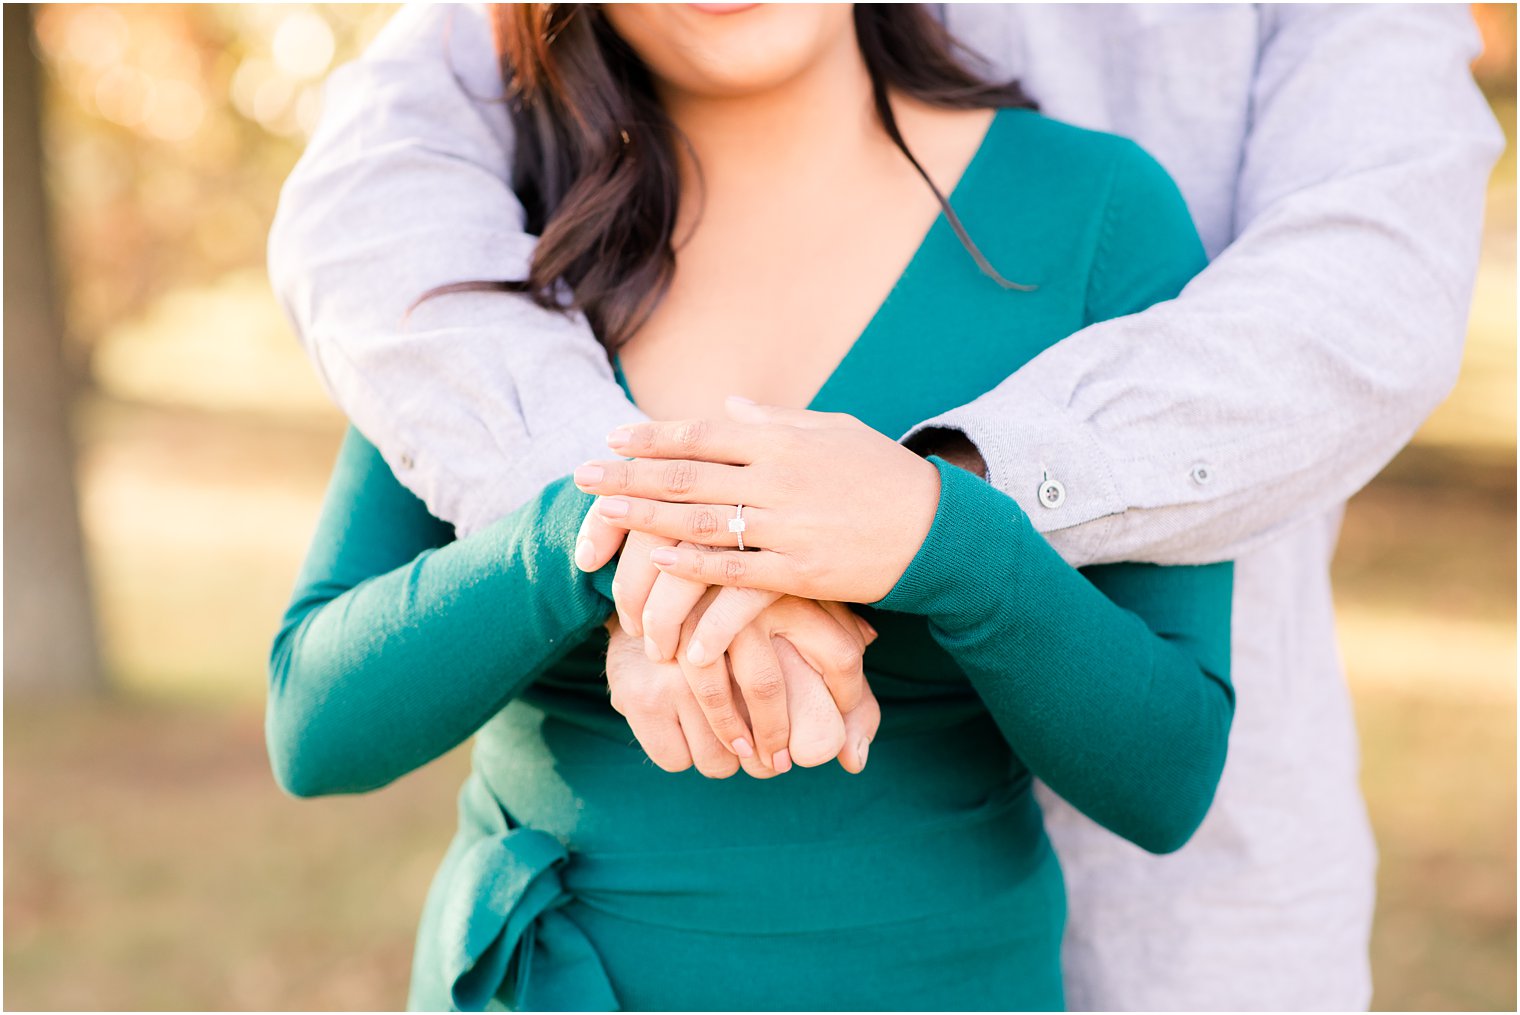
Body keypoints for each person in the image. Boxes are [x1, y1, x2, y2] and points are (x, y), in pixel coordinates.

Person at [267, 4, 1503, 1009]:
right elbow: (314, 722)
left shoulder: (1091, 217)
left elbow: (1166, 773)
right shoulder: (497, 230)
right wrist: (591, 546)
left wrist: (939, 536)